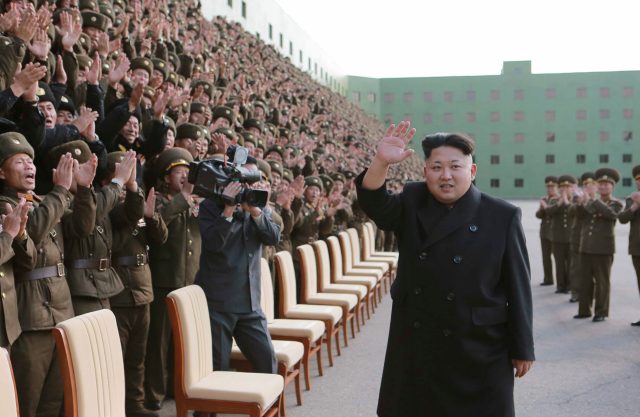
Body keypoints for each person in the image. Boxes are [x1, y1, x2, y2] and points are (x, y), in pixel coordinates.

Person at [356, 121, 534, 417]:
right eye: (436, 167)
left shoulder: (502, 215)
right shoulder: (412, 201)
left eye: (455, 166)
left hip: (480, 347)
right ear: (425, 171)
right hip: (418, 342)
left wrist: (523, 347)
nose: (446, 175)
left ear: (472, 171)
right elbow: (374, 202)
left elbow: (518, 287)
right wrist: (381, 162)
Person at [194, 157, 279, 374]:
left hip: (250, 303)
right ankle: (207, 409)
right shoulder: (210, 207)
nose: (248, 187)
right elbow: (212, 244)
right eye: (244, 181)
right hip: (219, 303)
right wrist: (228, 210)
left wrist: (256, 212)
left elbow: (273, 237)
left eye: (253, 181)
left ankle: (265, 408)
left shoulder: (256, 206)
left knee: (267, 362)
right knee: (217, 368)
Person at [574, 168, 623, 322]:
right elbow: (581, 216)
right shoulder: (592, 201)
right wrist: (581, 204)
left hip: (603, 248)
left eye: (606, 184)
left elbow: (611, 214)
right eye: (600, 184)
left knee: (602, 281)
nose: (603, 187)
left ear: (612, 187)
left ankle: (601, 312)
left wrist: (594, 200)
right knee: (585, 280)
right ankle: (584, 310)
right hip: (586, 246)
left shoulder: (616, 203)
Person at [615, 165, 640, 326]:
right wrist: (634, 206)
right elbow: (622, 218)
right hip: (637, 249)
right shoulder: (632, 199)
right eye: (638, 180)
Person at [535, 176, 558, 286]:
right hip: (544, 232)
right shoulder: (544, 199)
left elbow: (551, 212)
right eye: (548, 187)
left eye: (552, 187)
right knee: (546, 257)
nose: (550, 189)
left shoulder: (558, 200)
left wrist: (545, 206)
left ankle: (562, 281)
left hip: (555, 233)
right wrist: (541, 208)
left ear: (556, 188)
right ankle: (548, 279)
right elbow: (539, 215)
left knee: (558, 259)